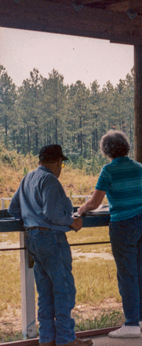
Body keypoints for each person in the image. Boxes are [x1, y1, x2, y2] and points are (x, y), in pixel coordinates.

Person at [8, 145, 92, 346]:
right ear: (57, 162)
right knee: (63, 289)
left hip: (34, 238)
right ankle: (65, 338)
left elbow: (13, 209)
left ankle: (46, 338)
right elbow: (53, 213)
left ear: (40, 161)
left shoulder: (27, 178)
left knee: (45, 290)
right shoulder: (50, 180)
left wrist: (32, 219)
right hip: (52, 238)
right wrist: (72, 221)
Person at [77, 130, 142, 338]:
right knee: (141, 272)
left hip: (124, 224)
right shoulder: (138, 167)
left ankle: (130, 324)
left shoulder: (108, 171)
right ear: (126, 147)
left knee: (127, 274)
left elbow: (94, 203)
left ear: (106, 150)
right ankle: (141, 319)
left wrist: (81, 210)